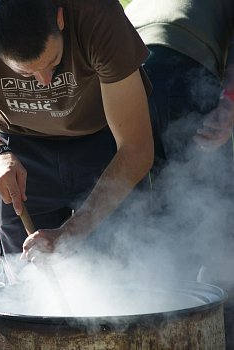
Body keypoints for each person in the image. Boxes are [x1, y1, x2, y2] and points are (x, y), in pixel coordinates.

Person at [0, 0, 153, 270]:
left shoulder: (96, 14)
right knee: (27, 279)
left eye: (52, 62)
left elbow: (135, 149)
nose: (44, 80)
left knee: (127, 268)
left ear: (61, 20)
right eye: (24, 72)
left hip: (104, 142)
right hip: (20, 148)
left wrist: (71, 232)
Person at [125, 1, 234, 347]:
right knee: (214, 218)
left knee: (150, 217)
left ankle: (160, 329)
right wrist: (228, 105)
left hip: (124, 68)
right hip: (182, 64)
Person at [125, 0, 234, 173]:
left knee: (141, 195)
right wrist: (229, 102)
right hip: (180, 65)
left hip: (121, 78)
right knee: (207, 193)